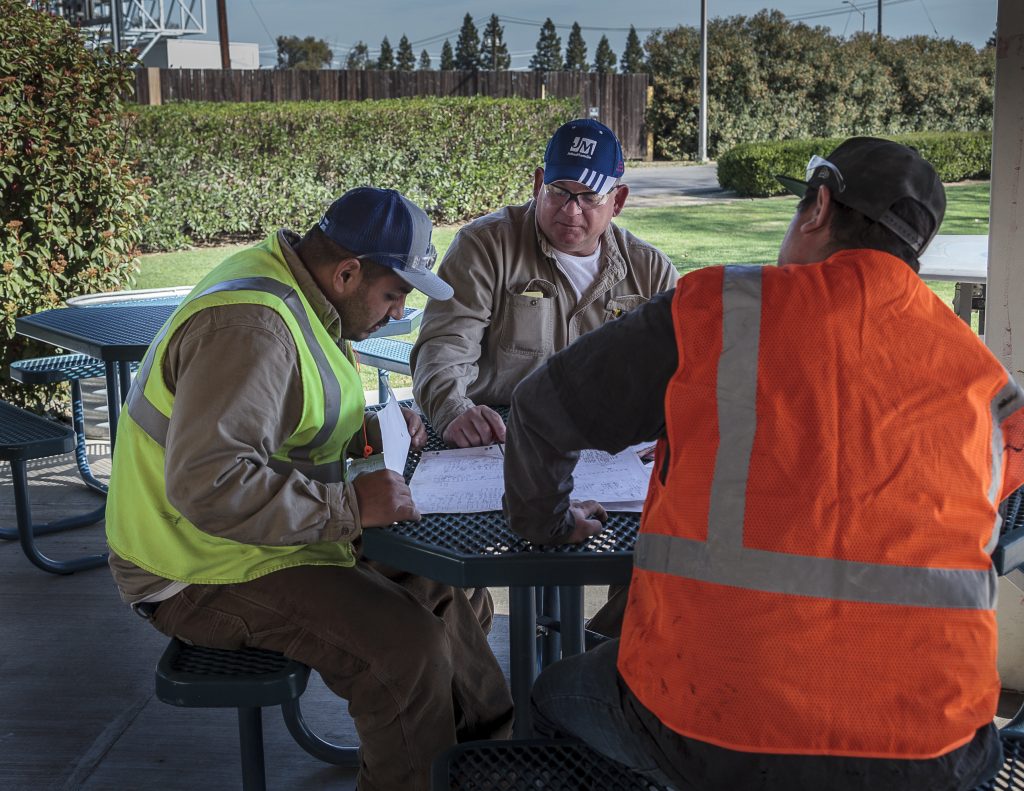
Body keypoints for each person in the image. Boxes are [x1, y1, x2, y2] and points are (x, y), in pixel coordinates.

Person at [503, 137, 1024, 790]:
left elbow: (539, 410)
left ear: (818, 208)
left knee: (552, 693)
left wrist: (547, 521)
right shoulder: (981, 376)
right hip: (937, 748)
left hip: (715, 727)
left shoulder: (714, 313)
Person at [105, 187, 514, 791]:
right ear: (348, 272)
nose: (400, 312)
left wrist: (369, 434)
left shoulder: (304, 290)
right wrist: (351, 506)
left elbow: (285, 423)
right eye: (395, 293)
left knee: (444, 587)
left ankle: (488, 762)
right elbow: (209, 485)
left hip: (256, 539)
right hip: (192, 565)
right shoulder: (252, 329)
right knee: (402, 652)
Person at [411, 118, 677, 449]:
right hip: (499, 437)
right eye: (559, 191)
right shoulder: (484, 246)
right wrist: (452, 411)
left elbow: (686, 371)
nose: (571, 209)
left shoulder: (650, 271)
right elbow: (446, 344)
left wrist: (674, 425)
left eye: (589, 197)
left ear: (618, 201)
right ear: (539, 184)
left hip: (613, 442)